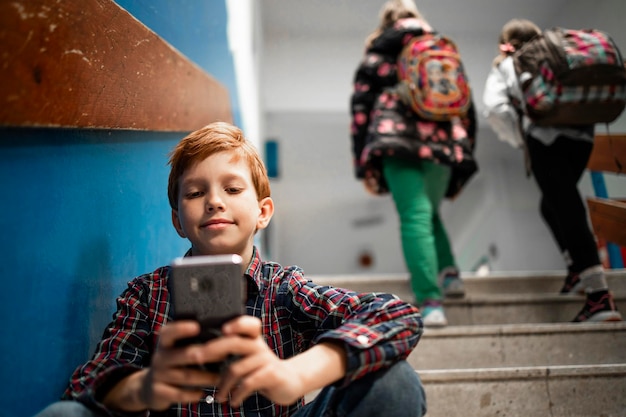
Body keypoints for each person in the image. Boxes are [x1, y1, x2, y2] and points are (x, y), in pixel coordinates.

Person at [34, 121, 427, 417]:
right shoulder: (146, 294)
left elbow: (395, 315)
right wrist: (145, 387)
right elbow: (85, 385)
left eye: (233, 189)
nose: (214, 202)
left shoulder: (284, 288)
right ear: (177, 220)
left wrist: (297, 376)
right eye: (195, 192)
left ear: (263, 212)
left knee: (393, 382)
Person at [482, 18, 622, 323]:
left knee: (566, 207)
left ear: (507, 43)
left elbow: (493, 107)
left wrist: (521, 138)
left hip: (545, 139)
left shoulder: (512, 62)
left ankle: (599, 297)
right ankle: (576, 272)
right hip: (583, 137)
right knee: (551, 205)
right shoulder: (560, 54)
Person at [349, 0, 478, 327]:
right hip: (444, 144)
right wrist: (465, 150)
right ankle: (450, 274)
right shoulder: (440, 46)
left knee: (414, 215)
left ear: (387, 22)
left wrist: (362, 161)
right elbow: (467, 105)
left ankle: (430, 300)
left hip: (396, 141)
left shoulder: (379, 51)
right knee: (428, 212)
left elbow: (360, 108)